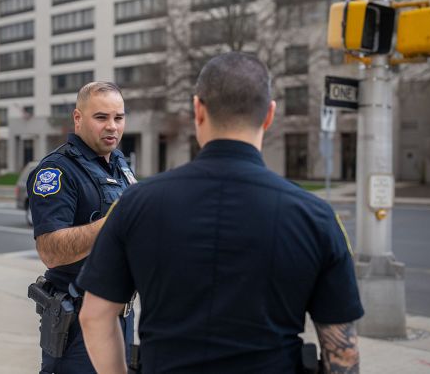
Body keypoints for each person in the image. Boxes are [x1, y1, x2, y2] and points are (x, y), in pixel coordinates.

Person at [77, 52, 364, 374]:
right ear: (269, 115)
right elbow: (343, 353)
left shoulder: (136, 204)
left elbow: (94, 316)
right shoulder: (317, 218)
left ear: (198, 110)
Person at [26, 81, 137, 373]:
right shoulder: (57, 170)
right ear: (78, 118)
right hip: (76, 323)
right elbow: (50, 250)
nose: (112, 126)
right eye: (101, 117)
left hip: (121, 315)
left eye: (119, 117)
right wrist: (113, 221)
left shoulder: (118, 165)